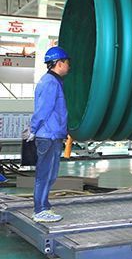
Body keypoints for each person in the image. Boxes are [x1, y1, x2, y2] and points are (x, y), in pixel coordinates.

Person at [27, 46, 70, 223]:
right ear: (59, 63)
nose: (68, 66)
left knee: (50, 174)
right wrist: (33, 129)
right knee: (44, 174)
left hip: (53, 134)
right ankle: (39, 210)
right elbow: (43, 110)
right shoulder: (50, 83)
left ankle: (44, 205)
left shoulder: (54, 81)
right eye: (67, 63)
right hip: (48, 136)